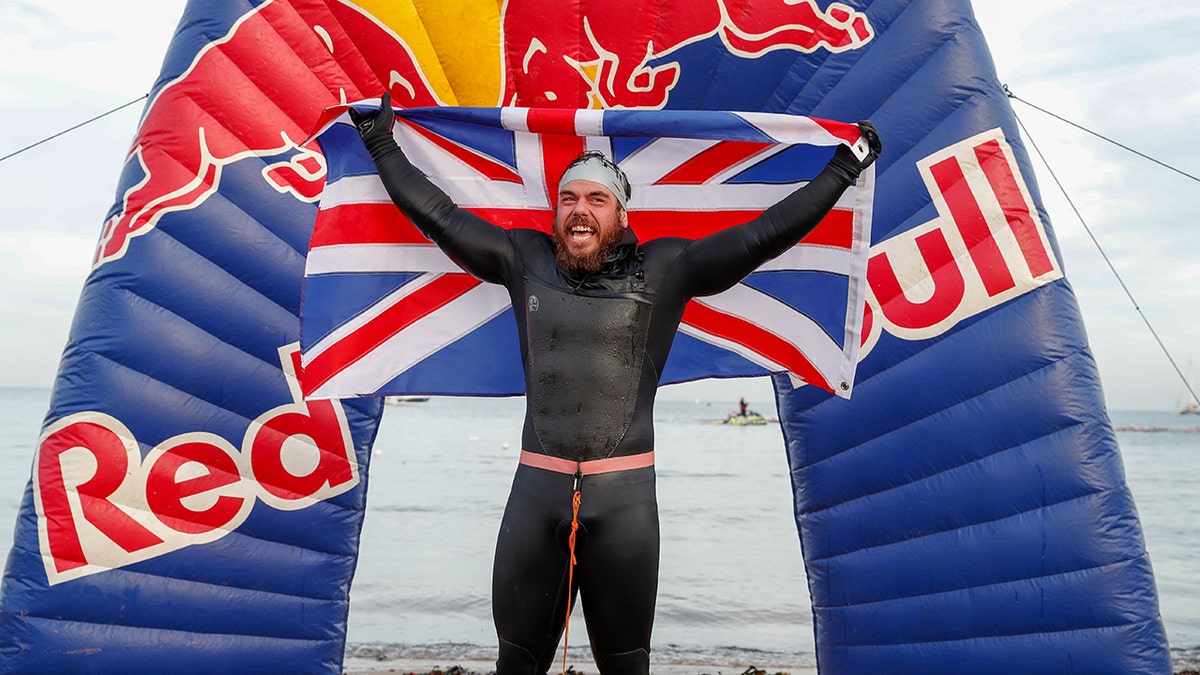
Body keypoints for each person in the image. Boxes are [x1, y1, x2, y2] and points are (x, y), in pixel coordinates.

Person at [350, 94, 880, 675]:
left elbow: (762, 236)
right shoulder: (522, 257)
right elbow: (440, 215)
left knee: (627, 666)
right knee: (516, 663)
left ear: (621, 215)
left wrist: (841, 170)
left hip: (624, 505)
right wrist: (381, 142)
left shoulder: (667, 269)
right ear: (555, 213)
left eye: (596, 199)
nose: (580, 210)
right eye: (569, 199)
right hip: (535, 494)